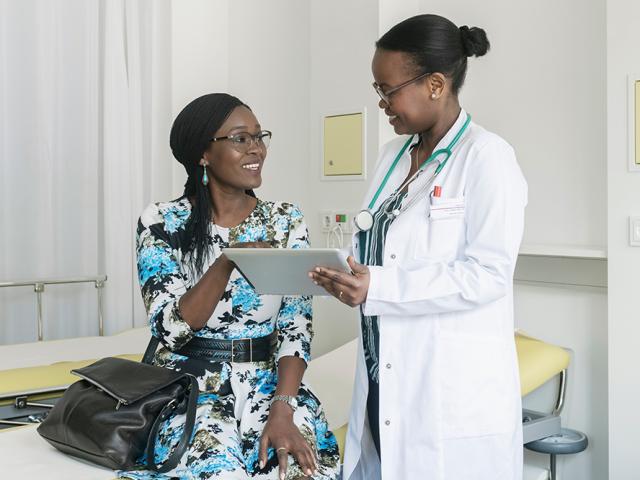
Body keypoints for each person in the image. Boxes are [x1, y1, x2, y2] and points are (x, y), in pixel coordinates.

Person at [310, 14, 527, 480]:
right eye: (378, 91)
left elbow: (488, 275)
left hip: (447, 390)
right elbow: (378, 246)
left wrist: (378, 286)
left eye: (388, 90)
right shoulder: (392, 155)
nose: (383, 104)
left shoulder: (487, 157)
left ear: (434, 84)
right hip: (381, 371)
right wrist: (347, 276)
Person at [120, 93, 340, 480]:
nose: (257, 149)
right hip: (192, 390)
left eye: (260, 136)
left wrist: (284, 406)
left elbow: (295, 327)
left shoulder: (284, 220)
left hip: (271, 387)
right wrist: (226, 262)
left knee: (298, 472)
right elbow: (170, 329)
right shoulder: (162, 222)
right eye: (241, 138)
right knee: (221, 473)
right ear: (203, 153)